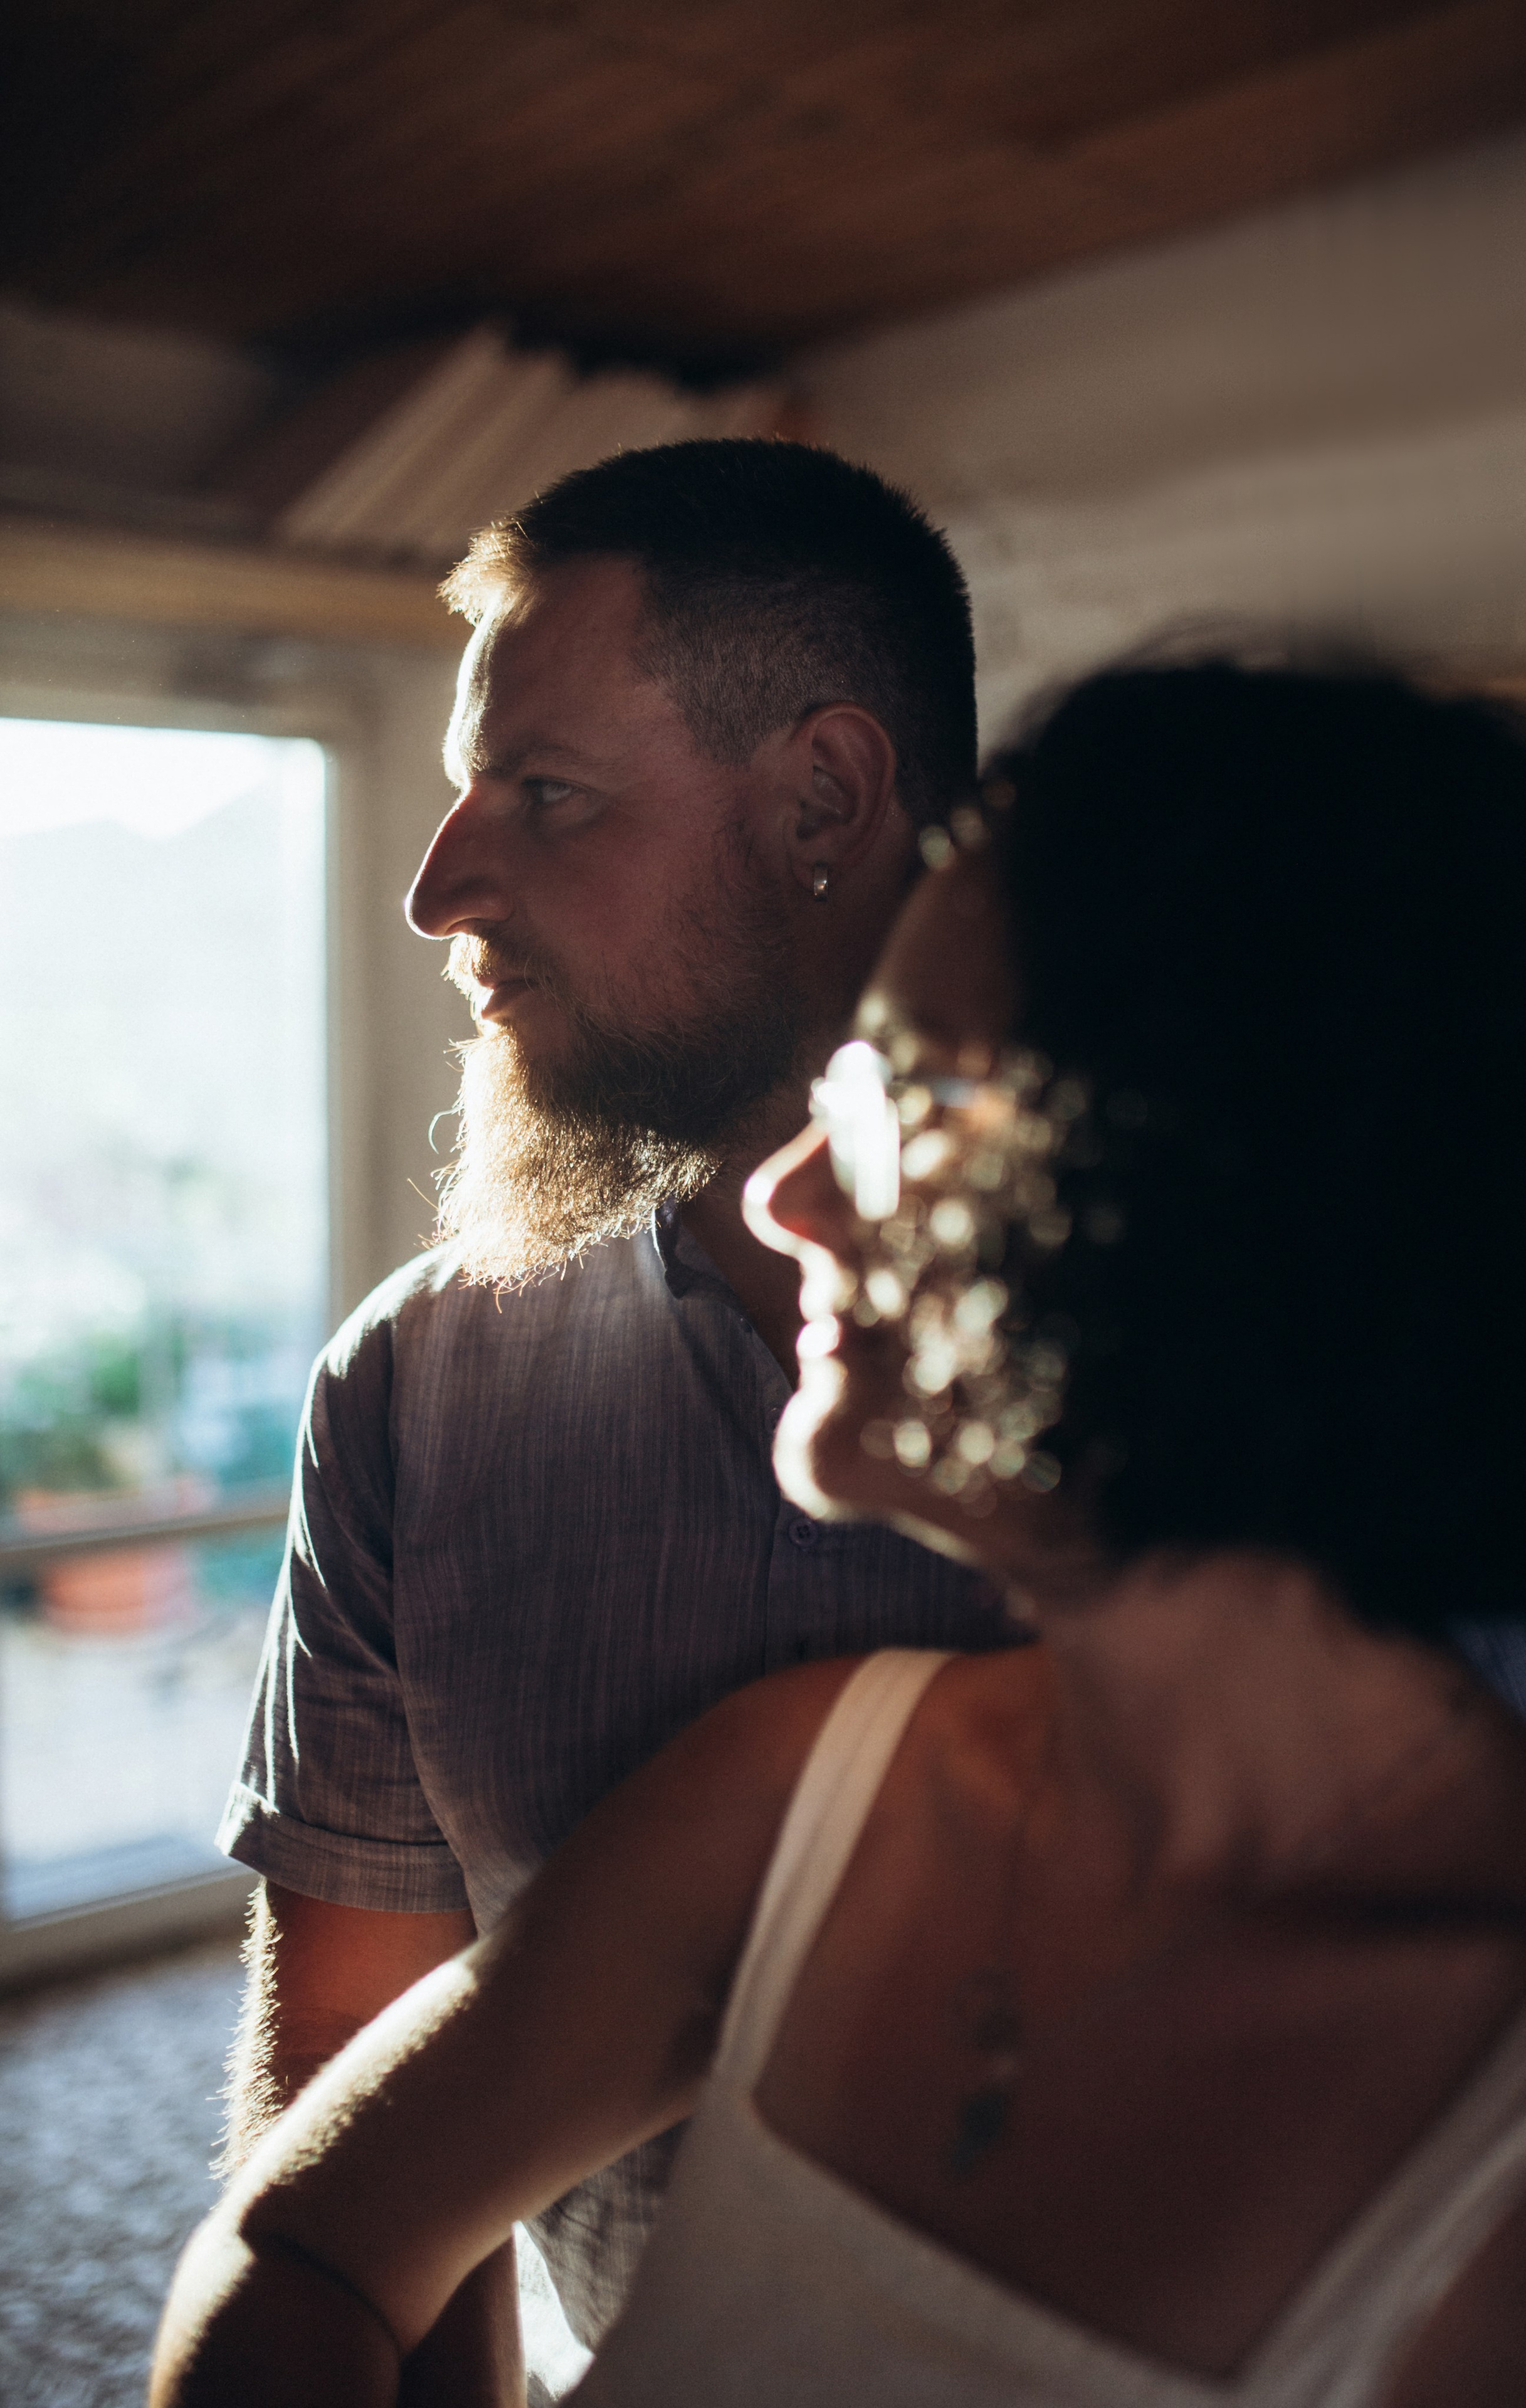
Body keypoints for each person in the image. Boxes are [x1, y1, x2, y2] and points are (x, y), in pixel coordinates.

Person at [162, 660, 1526, 2405]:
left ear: (1217, 1196)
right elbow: (305, 2240)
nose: (788, 1193)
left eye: (899, 1103)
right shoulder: (799, 1787)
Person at [215, 440, 1019, 2388]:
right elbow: (351, 2107)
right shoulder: (414, 1386)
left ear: (826, 794)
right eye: (453, 798)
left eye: (543, 797)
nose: (437, 889)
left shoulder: (1298, 1389)